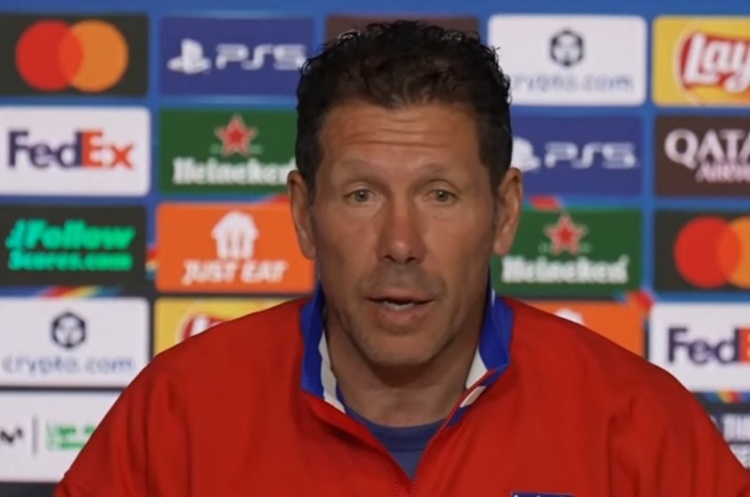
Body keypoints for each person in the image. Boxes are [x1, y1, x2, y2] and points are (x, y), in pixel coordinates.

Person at [55, 21, 750, 497]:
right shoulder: (177, 413)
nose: (400, 241)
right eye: (361, 194)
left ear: (505, 212)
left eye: (440, 195)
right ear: (303, 214)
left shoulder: (640, 424)